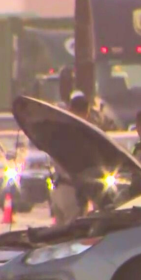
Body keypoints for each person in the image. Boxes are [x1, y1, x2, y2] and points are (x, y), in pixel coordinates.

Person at [49, 96, 89, 226]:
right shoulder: (80, 132)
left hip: (58, 189)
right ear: (85, 112)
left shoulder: (59, 130)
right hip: (72, 192)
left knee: (59, 236)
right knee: (73, 236)